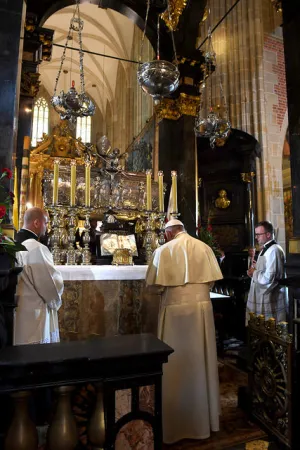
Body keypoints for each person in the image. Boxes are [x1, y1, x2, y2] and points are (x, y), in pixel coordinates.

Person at [146, 219, 223, 444]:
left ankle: (175, 423)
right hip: (202, 311)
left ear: (168, 234)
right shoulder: (204, 247)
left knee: (175, 364)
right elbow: (210, 283)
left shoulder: (163, 250)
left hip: (175, 312)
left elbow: (155, 285)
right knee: (201, 361)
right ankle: (203, 422)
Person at [14, 207, 64, 345]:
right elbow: (50, 285)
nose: (46, 227)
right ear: (36, 223)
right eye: (46, 223)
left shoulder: (13, 242)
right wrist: (59, 281)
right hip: (34, 313)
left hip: (18, 310)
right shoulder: (35, 248)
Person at [246, 220, 287, 323]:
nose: (256, 237)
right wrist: (256, 268)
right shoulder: (266, 248)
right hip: (262, 295)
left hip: (269, 297)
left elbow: (269, 277)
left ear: (268, 234)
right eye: (256, 235)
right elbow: (264, 270)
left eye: (258, 234)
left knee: (271, 326)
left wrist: (254, 273)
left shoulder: (274, 250)